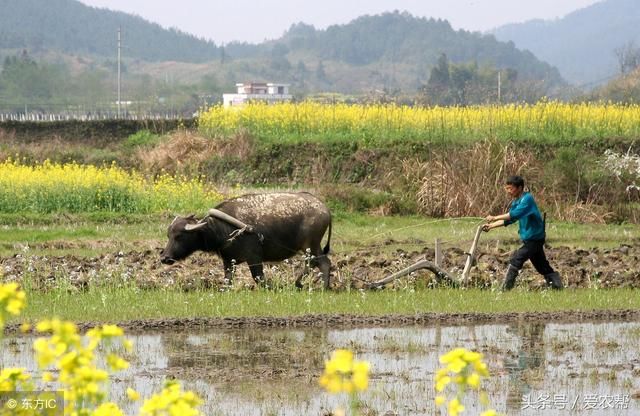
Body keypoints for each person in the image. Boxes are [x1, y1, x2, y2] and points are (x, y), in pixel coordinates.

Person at [482, 175, 563, 290]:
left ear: (520, 188)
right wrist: (491, 226)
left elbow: (514, 215)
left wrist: (494, 217)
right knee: (542, 266)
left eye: (511, 188)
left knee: (517, 259)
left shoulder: (527, 199)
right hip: (530, 239)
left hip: (535, 239)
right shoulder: (517, 201)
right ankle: (557, 286)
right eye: (507, 189)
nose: (509, 191)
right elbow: (510, 219)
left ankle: (505, 289)